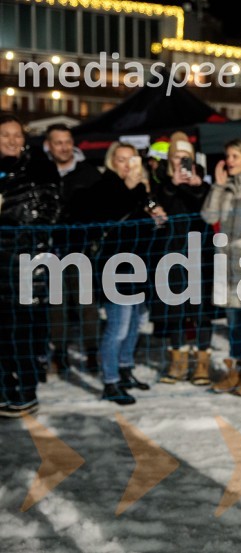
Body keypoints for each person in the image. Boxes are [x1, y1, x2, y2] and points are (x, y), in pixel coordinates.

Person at [69, 141, 166, 405]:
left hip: (139, 266)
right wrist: (136, 189)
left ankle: (125, 370)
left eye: (131, 159)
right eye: (121, 159)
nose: (126, 165)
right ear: (112, 161)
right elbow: (110, 214)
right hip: (115, 267)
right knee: (118, 327)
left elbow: (148, 226)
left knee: (135, 324)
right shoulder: (106, 186)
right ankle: (110, 381)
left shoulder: (141, 187)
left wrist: (156, 217)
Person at [0, 114, 62, 417]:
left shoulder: (38, 167)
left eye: (17, 135)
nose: (12, 140)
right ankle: (4, 390)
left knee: (19, 333)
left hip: (25, 267)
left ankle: (25, 392)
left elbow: (42, 216)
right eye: (5, 135)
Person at [150, 131, 215, 386]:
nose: (181, 162)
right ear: (169, 159)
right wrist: (172, 184)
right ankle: (177, 362)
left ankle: (202, 364)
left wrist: (195, 186)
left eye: (185, 156)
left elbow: (206, 209)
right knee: (174, 308)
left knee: (200, 311)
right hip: (171, 255)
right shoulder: (161, 183)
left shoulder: (202, 183)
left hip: (200, 254)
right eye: (177, 157)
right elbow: (157, 203)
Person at [201, 138, 241, 396]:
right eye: (228, 156)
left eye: (235, 156)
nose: (229, 161)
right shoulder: (224, 188)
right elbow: (209, 216)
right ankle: (233, 372)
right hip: (225, 262)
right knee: (234, 323)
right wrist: (217, 185)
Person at [43, 123, 103, 375]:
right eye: (58, 142)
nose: (64, 147)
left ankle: (92, 353)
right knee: (56, 307)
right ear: (49, 145)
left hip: (81, 250)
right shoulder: (41, 173)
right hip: (50, 250)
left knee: (86, 305)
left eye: (68, 141)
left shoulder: (88, 174)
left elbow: (103, 209)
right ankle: (60, 354)